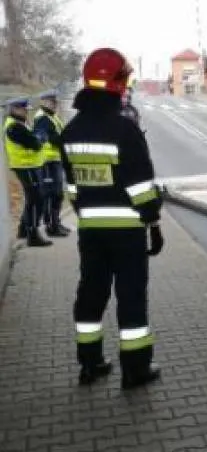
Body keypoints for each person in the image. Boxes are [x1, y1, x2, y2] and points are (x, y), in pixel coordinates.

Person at [61, 47, 164, 389]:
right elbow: (141, 188)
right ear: (117, 82)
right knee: (131, 299)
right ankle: (135, 370)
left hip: (90, 231)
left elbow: (72, 189)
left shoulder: (70, 132)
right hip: (127, 233)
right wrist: (153, 223)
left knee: (90, 295)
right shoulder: (125, 130)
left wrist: (86, 214)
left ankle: (90, 364)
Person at [3, 97, 52, 248]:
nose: (26, 112)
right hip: (25, 167)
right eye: (24, 110)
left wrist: (38, 137)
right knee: (36, 200)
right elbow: (35, 144)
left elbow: (35, 140)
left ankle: (24, 230)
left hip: (29, 166)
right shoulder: (14, 127)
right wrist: (40, 137)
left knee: (32, 199)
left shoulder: (19, 124)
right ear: (15, 109)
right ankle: (33, 235)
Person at [33, 89, 70, 238]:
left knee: (57, 194)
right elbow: (54, 138)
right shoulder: (43, 118)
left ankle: (56, 222)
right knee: (52, 194)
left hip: (54, 160)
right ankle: (51, 226)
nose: (55, 104)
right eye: (52, 102)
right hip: (47, 161)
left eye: (55, 102)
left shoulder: (51, 117)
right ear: (44, 102)